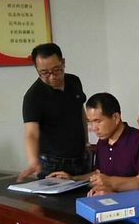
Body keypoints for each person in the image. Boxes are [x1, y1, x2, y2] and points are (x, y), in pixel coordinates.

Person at [47, 92, 139, 196]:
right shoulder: (102, 142)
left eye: (98, 121)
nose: (94, 128)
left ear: (116, 118)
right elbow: (99, 174)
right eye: (90, 122)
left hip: (130, 202)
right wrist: (72, 179)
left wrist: (112, 190)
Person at [17, 43, 87, 181]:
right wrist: (33, 161)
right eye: (44, 73)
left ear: (63, 63)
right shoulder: (33, 96)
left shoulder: (74, 81)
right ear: (37, 69)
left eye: (56, 70)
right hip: (52, 163)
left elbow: (80, 112)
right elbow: (31, 133)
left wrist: (86, 143)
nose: (52, 77)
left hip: (81, 158)